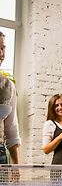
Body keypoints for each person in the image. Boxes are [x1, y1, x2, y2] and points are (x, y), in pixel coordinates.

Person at [0, 31, 21, 167]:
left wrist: (15, 163)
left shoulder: (8, 85)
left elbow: (11, 126)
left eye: (3, 48)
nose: (0, 52)